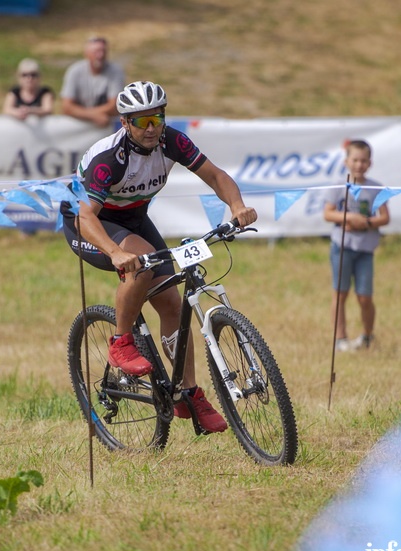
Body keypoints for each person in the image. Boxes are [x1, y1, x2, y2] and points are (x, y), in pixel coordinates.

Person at [61, 81, 257, 433]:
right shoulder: (110, 159)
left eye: (158, 118)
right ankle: (121, 343)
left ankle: (188, 393)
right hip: (88, 224)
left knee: (169, 301)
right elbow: (85, 215)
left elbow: (215, 175)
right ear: (125, 123)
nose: (152, 128)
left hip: (132, 220)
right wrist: (116, 252)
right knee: (142, 261)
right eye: (142, 121)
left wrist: (237, 206)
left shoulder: (172, 141)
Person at [322, 140, 391, 352]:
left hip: (365, 249)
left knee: (364, 296)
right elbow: (328, 213)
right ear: (346, 161)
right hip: (341, 247)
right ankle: (340, 338)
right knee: (340, 293)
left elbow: (385, 217)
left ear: (369, 163)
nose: (359, 164)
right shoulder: (339, 187)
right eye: (355, 160)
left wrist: (366, 222)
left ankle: (367, 336)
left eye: (363, 160)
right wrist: (350, 217)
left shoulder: (376, 188)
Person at [60, 36, 125, 127]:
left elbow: (114, 106)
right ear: (86, 53)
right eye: (96, 52)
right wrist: (92, 116)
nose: (100, 55)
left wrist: (83, 113)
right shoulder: (74, 71)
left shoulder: (115, 71)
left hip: (107, 127)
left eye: (103, 51)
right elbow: (66, 106)